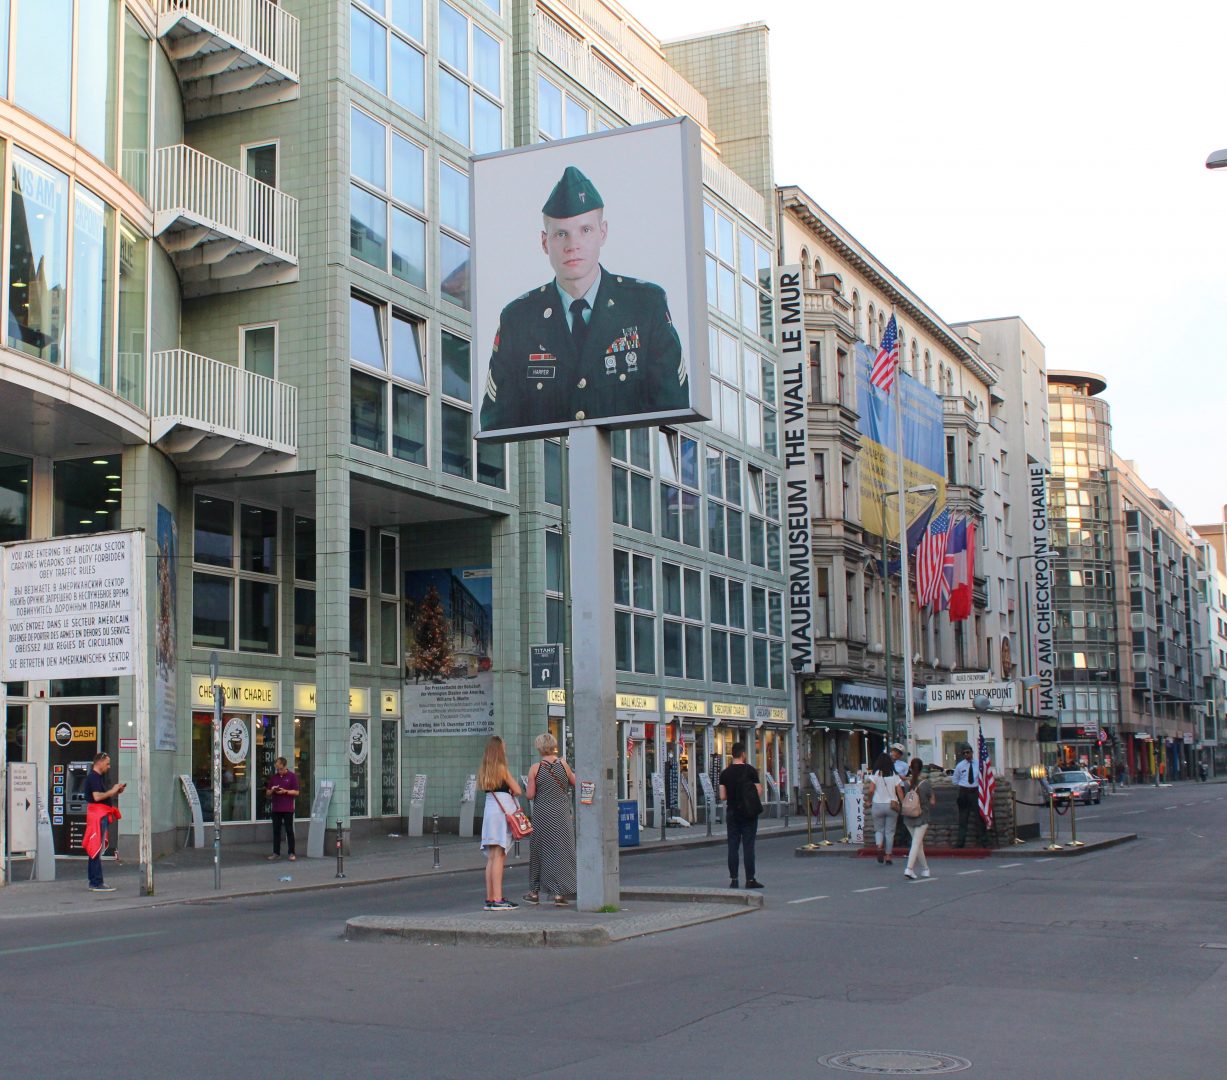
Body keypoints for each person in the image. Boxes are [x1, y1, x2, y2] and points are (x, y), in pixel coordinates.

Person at [479, 165, 688, 433]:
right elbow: (498, 425)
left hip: (626, 469)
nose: (572, 245)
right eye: (561, 234)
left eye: (585, 230)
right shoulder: (518, 319)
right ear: (545, 242)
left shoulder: (645, 306)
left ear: (603, 233)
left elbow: (673, 410)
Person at [523, 732, 577, 907]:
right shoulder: (564, 765)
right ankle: (560, 894)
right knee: (561, 851)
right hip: (561, 813)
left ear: (539, 748)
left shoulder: (535, 768)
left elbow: (530, 795)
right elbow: (575, 782)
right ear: (553, 745)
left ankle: (534, 892)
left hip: (543, 815)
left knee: (539, 852)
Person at [478, 735, 523, 911]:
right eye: (503, 746)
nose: (505, 749)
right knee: (499, 856)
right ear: (499, 750)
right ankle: (497, 899)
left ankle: (490, 898)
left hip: (489, 812)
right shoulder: (502, 768)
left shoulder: (485, 769)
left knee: (491, 856)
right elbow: (518, 790)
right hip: (500, 813)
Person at [718, 742, 763, 889]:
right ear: (743, 754)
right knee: (748, 846)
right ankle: (750, 879)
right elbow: (759, 791)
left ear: (732, 754)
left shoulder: (724, 773)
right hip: (748, 813)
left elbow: (723, 796)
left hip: (732, 812)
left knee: (733, 845)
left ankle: (734, 879)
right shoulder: (750, 771)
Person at [83, 753, 124, 893]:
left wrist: (114, 792)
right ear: (99, 762)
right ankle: (96, 882)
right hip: (98, 816)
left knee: (96, 848)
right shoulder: (94, 777)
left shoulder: (96, 777)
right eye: (107, 763)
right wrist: (112, 791)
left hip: (98, 814)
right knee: (96, 848)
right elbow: (97, 796)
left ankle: (95, 880)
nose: (109, 766)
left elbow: (99, 796)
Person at [901, 758, 937, 881]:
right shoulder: (925, 783)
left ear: (910, 768)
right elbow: (932, 801)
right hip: (922, 817)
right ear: (922, 769)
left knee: (918, 844)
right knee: (916, 843)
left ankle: (925, 869)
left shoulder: (906, 784)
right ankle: (909, 869)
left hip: (908, 817)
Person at [867, 752, 905, 864]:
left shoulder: (876, 774)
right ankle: (888, 856)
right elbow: (899, 790)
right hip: (891, 806)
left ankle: (879, 846)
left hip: (877, 804)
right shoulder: (894, 774)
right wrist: (903, 803)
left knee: (879, 830)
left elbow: (871, 790)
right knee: (890, 832)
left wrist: (869, 801)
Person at [265, 757, 300, 861]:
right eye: (277, 768)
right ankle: (276, 852)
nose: (278, 770)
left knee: (289, 830)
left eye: (280, 768)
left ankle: (292, 853)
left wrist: (285, 791)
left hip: (288, 808)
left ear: (284, 766)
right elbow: (267, 793)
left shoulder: (292, 776)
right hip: (276, 808)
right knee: (276, 831)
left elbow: (297, 792)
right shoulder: (274, 777)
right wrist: (272, 790)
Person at [952, 744, 986, 848]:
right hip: (964, 791)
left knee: (979, 817)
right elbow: (955, 780)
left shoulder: (979, 764)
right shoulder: (960, 765)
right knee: (963, 818)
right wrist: (963, 787)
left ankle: (983, 841)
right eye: (964, 753)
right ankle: (960, 842)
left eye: (968, 752)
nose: (966, 755)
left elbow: (985, 777)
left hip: (976, 791)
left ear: (972, 752)